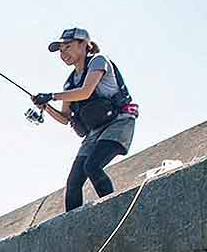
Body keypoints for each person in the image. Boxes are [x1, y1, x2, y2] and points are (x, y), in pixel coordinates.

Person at [31, 28, 138, 212]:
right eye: (60, 50)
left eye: (67, 47)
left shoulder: (98, 61)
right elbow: (65, 118)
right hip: (94, 131)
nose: (63, 53)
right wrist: (46, 106)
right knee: (73, 182)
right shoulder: (70, 83)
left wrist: (51, 96)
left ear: (84, 45)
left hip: (119, 121)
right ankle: (71, 227)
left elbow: (86, 91)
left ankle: (115, 210)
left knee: (92, 166)